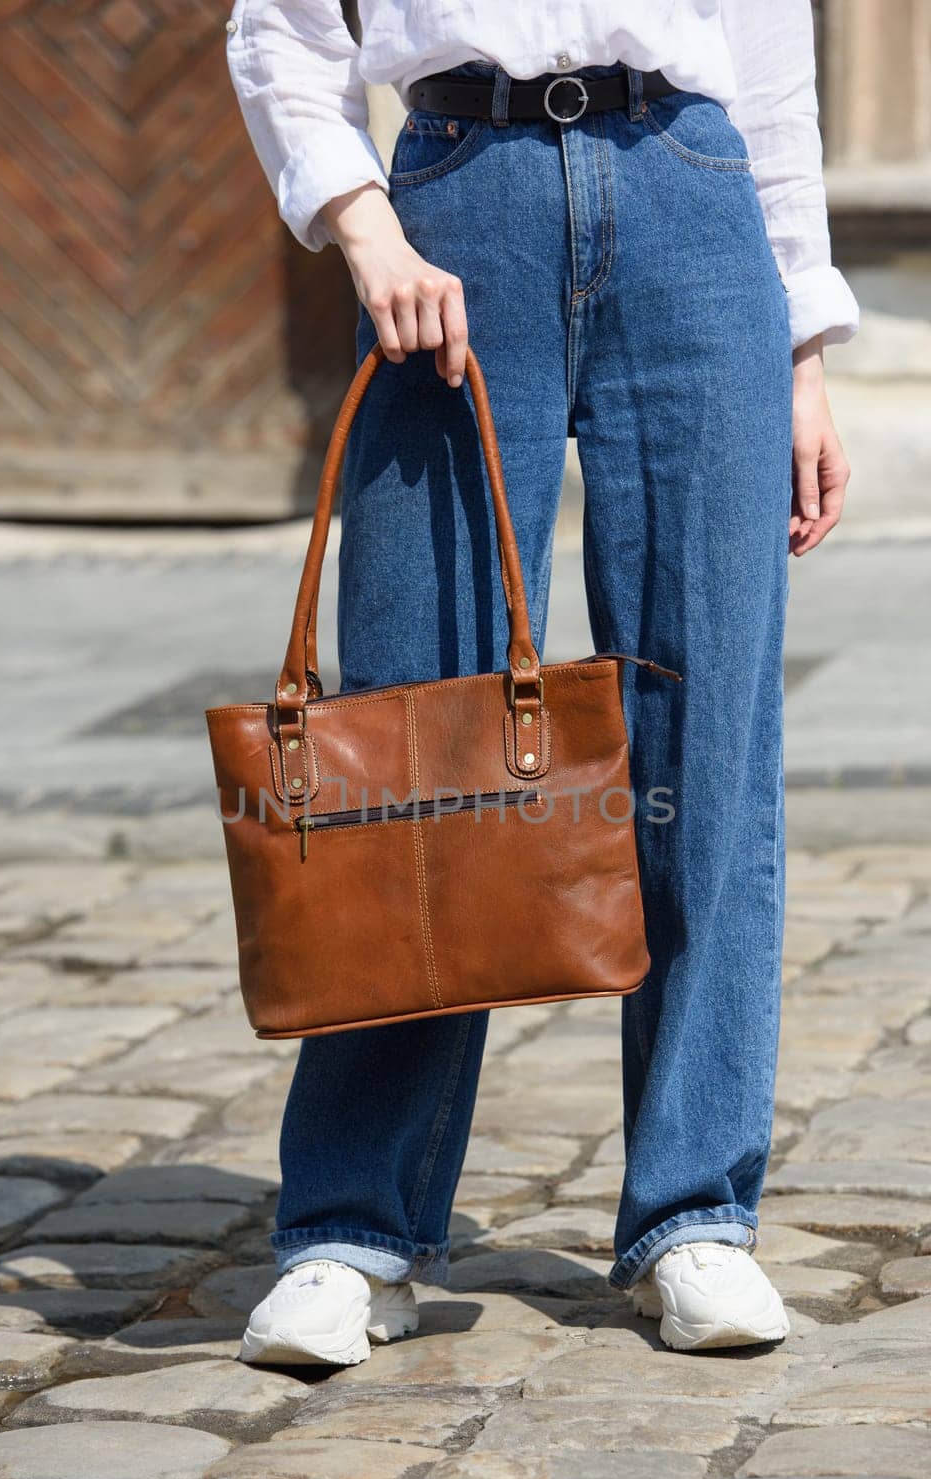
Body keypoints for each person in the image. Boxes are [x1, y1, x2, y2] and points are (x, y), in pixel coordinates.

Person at [225, 0, 858, 1364]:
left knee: (711, 738)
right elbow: (276, 25)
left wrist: (801, 342)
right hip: (458, 198)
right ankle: (354, 1228)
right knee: (411, 735)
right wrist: (366, 225)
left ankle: (695, 1215)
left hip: (696, 206)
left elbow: (769, 58)